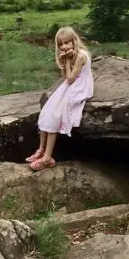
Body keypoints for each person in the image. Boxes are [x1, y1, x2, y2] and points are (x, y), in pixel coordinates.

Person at [25, 26, 94, 171]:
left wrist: (67, 62)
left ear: (74, 42)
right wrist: (64, 63)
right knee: (47, 112)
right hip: (71, 85)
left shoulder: (80, 55)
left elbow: (70, 79)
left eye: (67, 43)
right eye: (61, 44)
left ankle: (47, 157)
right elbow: (65, 78)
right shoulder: (69, 55)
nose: (64, 46)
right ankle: (41, 149)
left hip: (80, 87)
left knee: (56, 115)